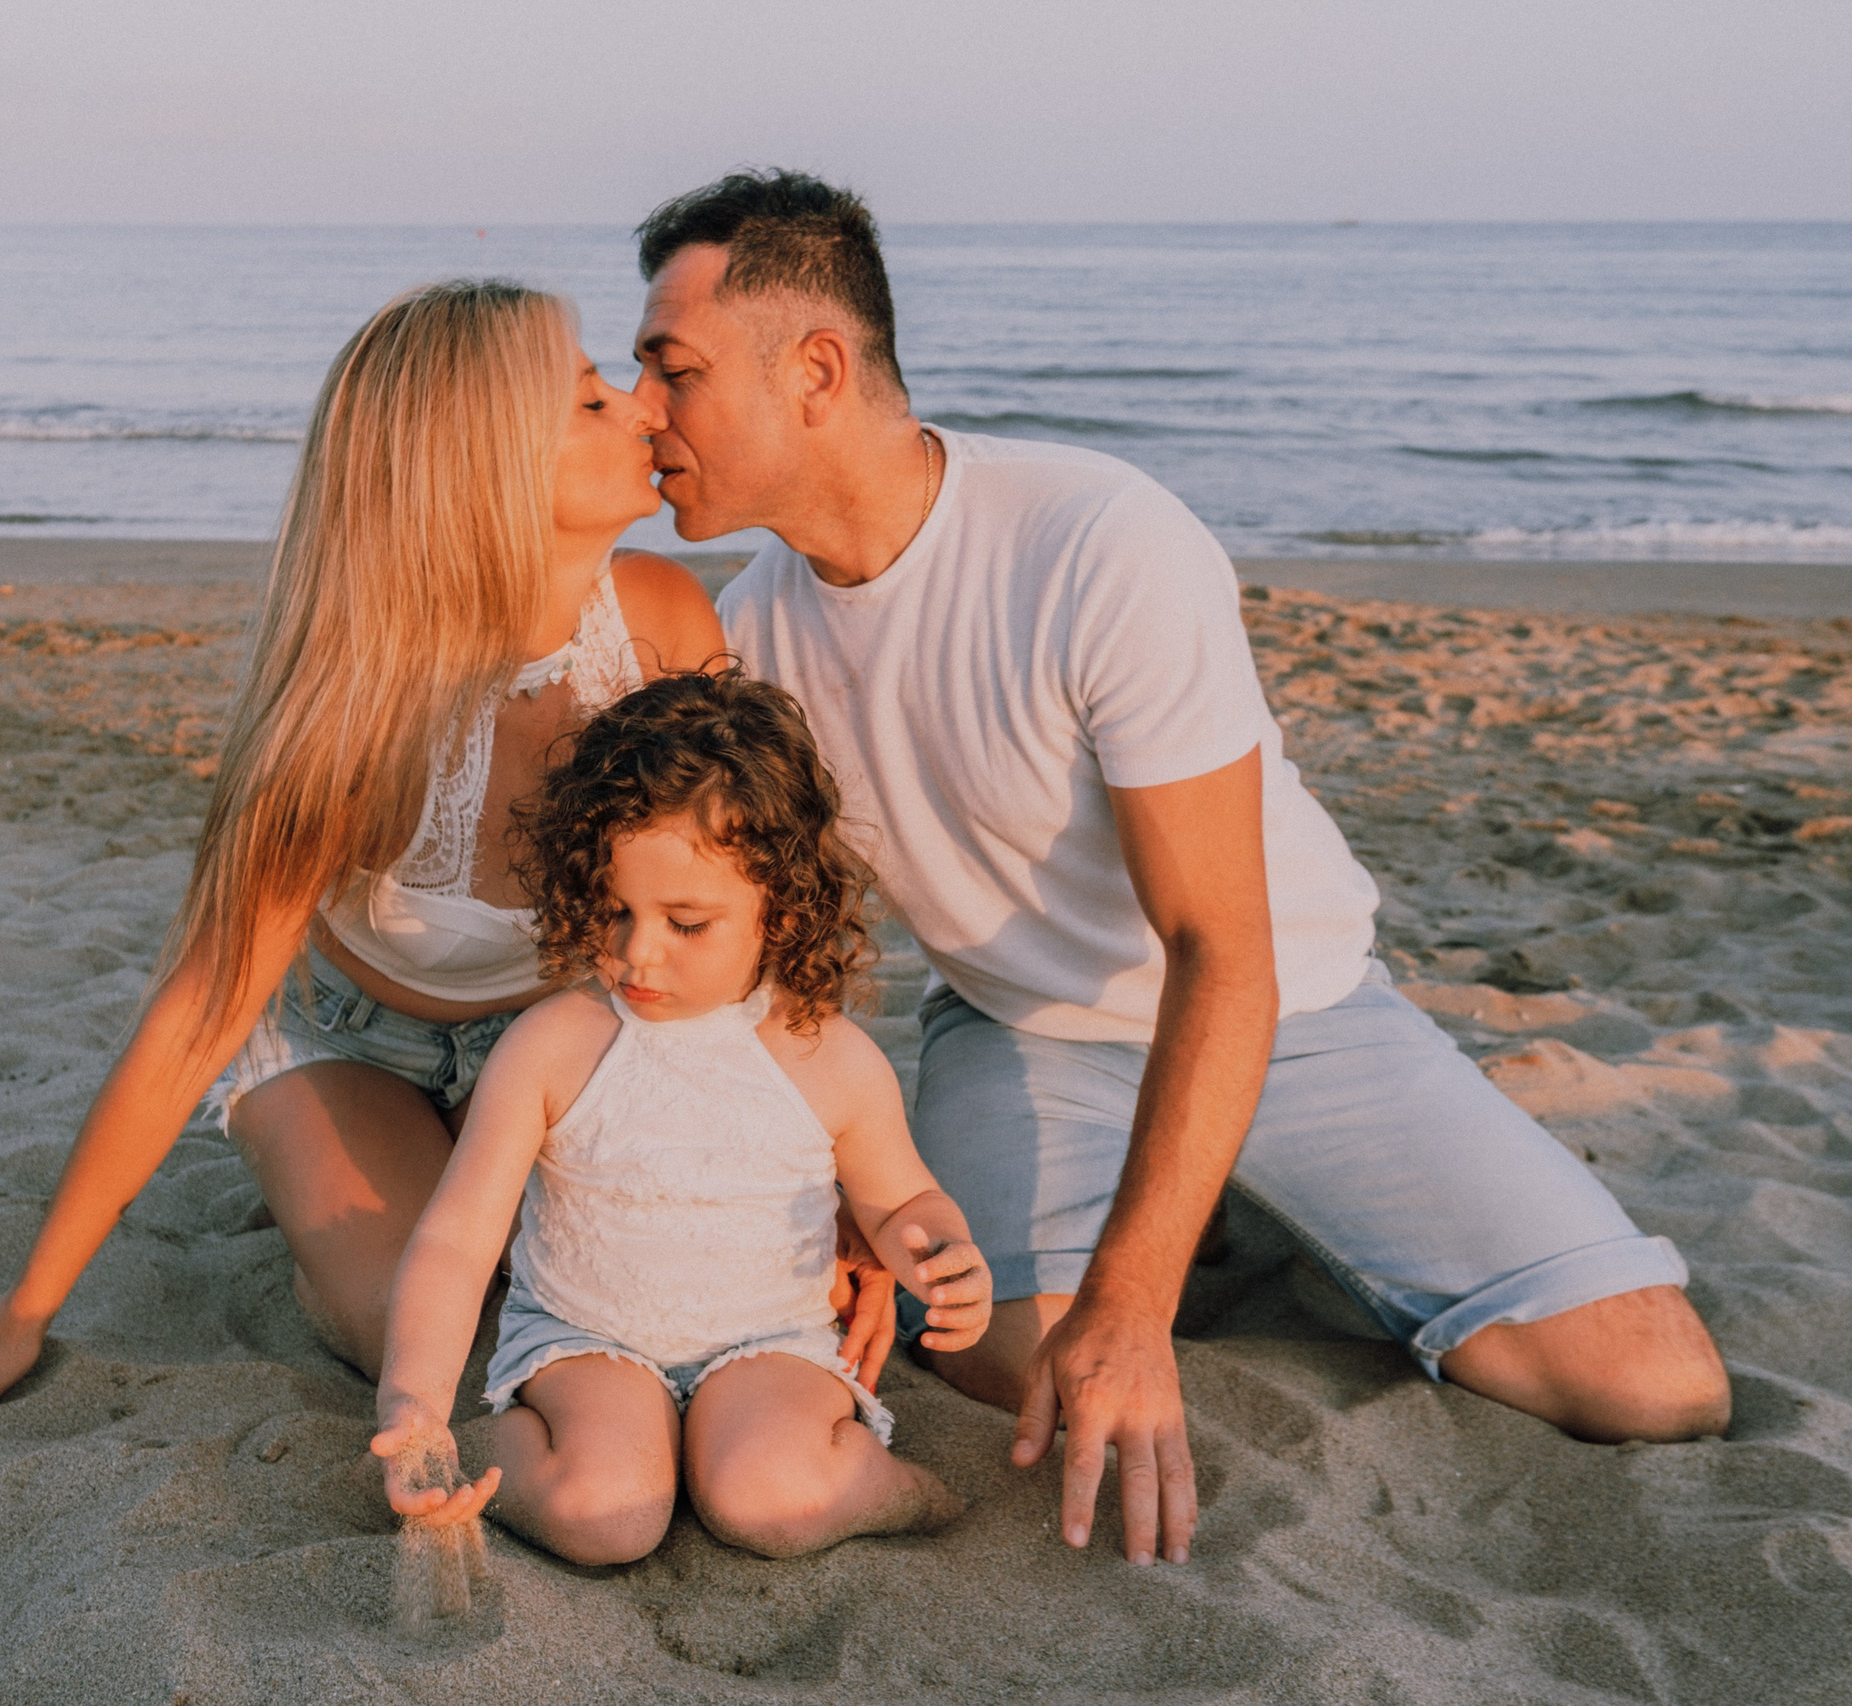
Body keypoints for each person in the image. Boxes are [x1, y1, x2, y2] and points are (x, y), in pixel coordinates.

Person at [625, 170, 1733, 1569]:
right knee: (1001, 1351)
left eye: (674, 369)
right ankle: (1195, 1210)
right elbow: (790, 949)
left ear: (817, 372)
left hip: (1290, 1006)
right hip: (1022, 1028)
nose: (648, 410)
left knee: (1655, 1384)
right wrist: (846, 1184)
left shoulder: (1099, 540)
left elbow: (1226, 943)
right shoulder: (760, 630)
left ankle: (1214, 1216)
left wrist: (1139, 1306)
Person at [0, 277, 727, 1414]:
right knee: (440, 1346)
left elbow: (746, 915)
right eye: (591, 400)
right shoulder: (357, 709)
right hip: (356, 1047)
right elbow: (199, 1008)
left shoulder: (664, 622)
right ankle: (323, 1247)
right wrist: (25, 1305)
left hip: (564, 1040)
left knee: (656, 1310)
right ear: (484, 461)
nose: (647, 407)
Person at [371, 671, 988, 1563]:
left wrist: (941, 1254)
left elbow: (899, 1204)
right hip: (588, 1340)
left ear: (782, 911)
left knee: (768, 1500)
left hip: (769, 1342)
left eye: (687, 922)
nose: (636, 952)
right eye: (613, 909)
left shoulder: (828, 1057)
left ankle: (899, 1489)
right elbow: (461, 1240)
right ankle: (477, 1455)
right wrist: (415, 1405)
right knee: (605, 1517)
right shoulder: (552, 1046)